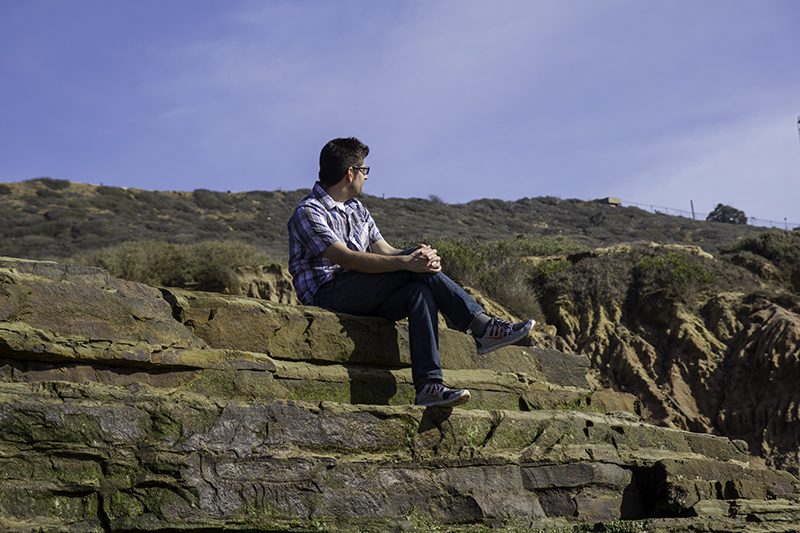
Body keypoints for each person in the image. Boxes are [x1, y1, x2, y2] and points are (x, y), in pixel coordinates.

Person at [287, 137, 535, 407]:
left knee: (418, 290)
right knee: (409, 265)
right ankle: (481, 326)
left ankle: (429, 386)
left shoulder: (357, 210)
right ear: (351, 173)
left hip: (363, 293)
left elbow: (386, 251)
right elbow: (347, 260)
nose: (366, 177)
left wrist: (419, 254)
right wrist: (408, 261)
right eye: (364, 170)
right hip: (328, 295)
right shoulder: (308, 212)